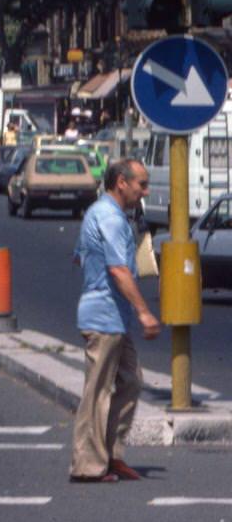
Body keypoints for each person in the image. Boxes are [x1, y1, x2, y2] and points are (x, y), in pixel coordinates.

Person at [69, 158, 161, 484]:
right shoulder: (107, 216)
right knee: (97, 392)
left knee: (131, 381)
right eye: (141, 184)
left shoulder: (107, 215)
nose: (145, 191)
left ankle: (111, 454)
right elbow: (118, 269)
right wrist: (144, 311)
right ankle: (88, 465)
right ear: (121, 182)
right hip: (104, 315)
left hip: (114, 317)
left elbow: (80, 255)